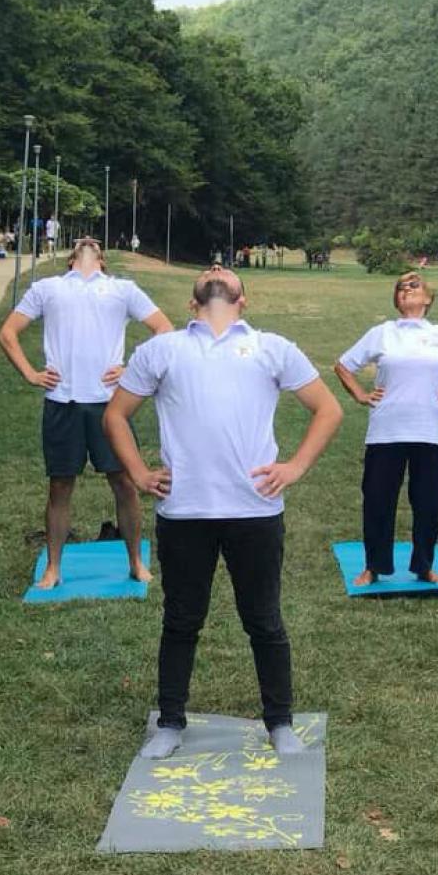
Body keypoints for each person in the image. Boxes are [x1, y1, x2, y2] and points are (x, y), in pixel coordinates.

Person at [104, 266, 343, 758]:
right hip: (184, 511)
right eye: (207, 272)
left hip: (254, 510)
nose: (215, 271)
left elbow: (329, 410)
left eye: (223, 271)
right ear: (193, 304)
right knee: (180, 620)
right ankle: (171, 722)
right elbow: (115, 415)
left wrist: (295, 467)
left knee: (265, 620)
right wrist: (141, 475)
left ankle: (279, 722)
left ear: (243, 299)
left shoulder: (271, 347)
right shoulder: (163, 348)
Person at [0, 237, 172, 589]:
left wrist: (132, 368)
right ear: (72, 256)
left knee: (123, 482)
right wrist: (30, 373)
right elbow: (7, 333)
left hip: (110, 404)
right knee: (60, 485)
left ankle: (136, 563)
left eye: (94, 242)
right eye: (82, 241)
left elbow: (165, 330)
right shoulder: (47, 288)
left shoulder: (123, 289)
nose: (88, 242)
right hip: (62, 401)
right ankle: (54, 568)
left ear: (102, 259)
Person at [334, 271, 438, 585]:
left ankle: (423, 566)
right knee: (378, 500)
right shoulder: (382, 333)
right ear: (396, 299)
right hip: (386, 430)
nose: (407, 289)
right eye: (401, 287)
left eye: (414, 285)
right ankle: (373, 567)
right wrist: (361, 394)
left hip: (430, 430)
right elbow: (343, 365)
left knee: (430, 502)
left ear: (428, 298)